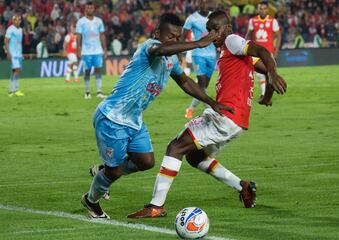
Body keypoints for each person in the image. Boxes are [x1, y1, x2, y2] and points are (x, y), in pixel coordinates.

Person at [127, 10, 287, 219]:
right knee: (195, 156)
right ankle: (243, 187)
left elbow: (263, 51)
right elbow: (264, 66)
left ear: (227, 28)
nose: (212, 34)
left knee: (175, 147)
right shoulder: (230, 51)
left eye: (215, 29)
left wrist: (273, 75)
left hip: (225, 116)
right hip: (236, 120)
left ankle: (155, 206)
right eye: (209, 30)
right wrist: (267, 95)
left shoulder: (232, 41)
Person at [81, 13, 232, 219]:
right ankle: (91, 202)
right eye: (171, 36)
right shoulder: (150, 47)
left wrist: (212, 102)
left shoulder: (171, 61)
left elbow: (186, 82)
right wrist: (198, 43)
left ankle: (105, 170)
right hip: (112, 118)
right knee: (114, 173)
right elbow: (160, 49)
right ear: (157, 33)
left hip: (134, 120)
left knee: (146, 162)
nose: (174, 40)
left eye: (177, 37)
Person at [183, 0, 217, 119]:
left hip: (212, 55)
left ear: (209, 4)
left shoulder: (214, 17)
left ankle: (190, 108)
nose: (203, 5)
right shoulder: (192, 18)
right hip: (198, 54)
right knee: (202, 83)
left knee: (204, 86)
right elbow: (183, 36)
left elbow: (221, 33)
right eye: (201, 3)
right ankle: (209, 108)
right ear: (198, 4)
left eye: (205, 3)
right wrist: (178, 51)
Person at [245, 1, 281, 100]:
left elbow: (278, 36)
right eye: (261, 9)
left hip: (269, 52)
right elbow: (248, 34)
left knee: (271, 72)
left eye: (265, 9)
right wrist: (245, 46)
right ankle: (264, 93)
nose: (263, 11)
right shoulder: (253, 20)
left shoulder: (272, 21)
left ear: (268, 10)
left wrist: (276, 50)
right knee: (260, 74)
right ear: (258, 9)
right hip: (256, 53)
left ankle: (269, 93)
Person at [76, 1, 107, 99]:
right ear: (85, 9)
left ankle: (99, 92)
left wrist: (105, 49)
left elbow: (102, 35)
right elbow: (78, 37)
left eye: (91, 8)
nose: (90, 9)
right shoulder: (81, 22)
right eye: (88, 8)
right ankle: (87, 92)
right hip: (86, 51)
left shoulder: (99, 21)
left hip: (97, 50)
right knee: (87, 71)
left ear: (94, 9)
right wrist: (78, 49)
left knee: (98, 71)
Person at [5, 14, 24, 97]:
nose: (18, 21)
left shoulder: (20, 30)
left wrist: (21, 53)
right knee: (17, 70)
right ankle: (15, 89)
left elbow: (19, 43)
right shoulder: (10, 29)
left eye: (19, 19)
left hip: (18, 53)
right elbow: (6, 41)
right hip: (13, 53)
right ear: (13, 21)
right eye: (16, 20)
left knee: (15, 71)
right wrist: (8, 52)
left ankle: (11, 90)